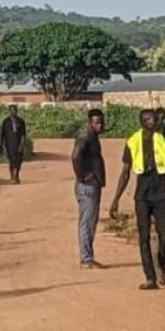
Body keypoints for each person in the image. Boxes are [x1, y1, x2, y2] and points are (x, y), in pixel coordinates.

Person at [108, 109, 165, 290]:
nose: (152, 121)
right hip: (142, 195)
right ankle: (150, 277)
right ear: (141, 122)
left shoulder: (164, 140)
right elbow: (125, 172)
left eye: (153, 118)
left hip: (161, 192)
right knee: (143, 237)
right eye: (147, 119)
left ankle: (160, 262)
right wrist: (115, 199)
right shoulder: (133, 141)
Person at [72, 109, 108, 269]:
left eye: (100, 122)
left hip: (93, 185)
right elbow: (75, 156)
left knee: (91, 222)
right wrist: (82, 176)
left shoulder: (93, 136)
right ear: (89, 122)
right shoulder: (85, 136)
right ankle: (86, 258)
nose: (99, 125)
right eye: (96, 122)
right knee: (86, 223)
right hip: (87, 186)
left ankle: (88, 256)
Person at [0, 104, 27, 184]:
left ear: (17, 111)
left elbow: (23, 134)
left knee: (18, 161)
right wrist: (1, 146)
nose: (13, 112)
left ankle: (16, 175)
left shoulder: (21, 121)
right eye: (11, 110)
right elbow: (3, 134)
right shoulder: (6, 122)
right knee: (11, 161)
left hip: (18, 144)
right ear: (9, 111)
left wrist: (22, 144)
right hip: (9, 145)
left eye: (14, 110)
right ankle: (12, 176)